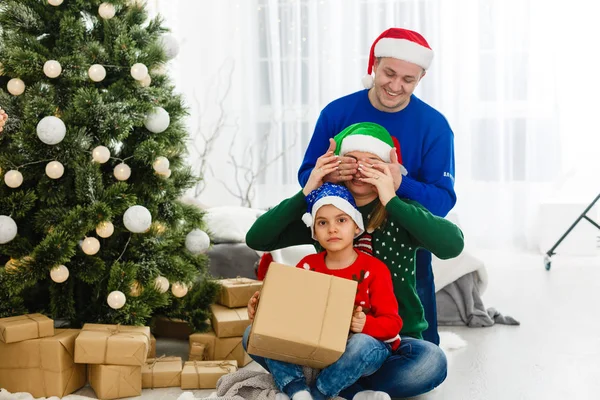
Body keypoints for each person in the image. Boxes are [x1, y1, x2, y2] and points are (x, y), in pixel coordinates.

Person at [245, 122, 464, 399]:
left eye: (372, 162)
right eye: (352, 161)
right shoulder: (327, 212)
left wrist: (393, 196)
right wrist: (309, 188)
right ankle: (341, 388)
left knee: (431, 362)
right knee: (253, 335)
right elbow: (257, 238)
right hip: (321, 337)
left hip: (391, 341)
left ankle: (317, 386)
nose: (361, 169)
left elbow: (453, 245)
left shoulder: (402, 210)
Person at [298, 27, 456, 346]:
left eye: (408, 80)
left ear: (421, 78)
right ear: (374, 64)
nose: (396, 86)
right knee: (332, 339)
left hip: (405, 245)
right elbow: (306, 177)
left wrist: (401, 183)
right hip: (339, 241)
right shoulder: (337, 113)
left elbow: (442, 202)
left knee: (424, 357)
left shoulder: (434, 127)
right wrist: (330, 174)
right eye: (389, 73)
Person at [247, 182, 402, 400]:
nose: (332, 229)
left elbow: (393, 324)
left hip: (359, 350)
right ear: (314, 232)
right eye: (322, 223)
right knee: (251, 334)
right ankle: (298, 391)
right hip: (317, 347)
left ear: (356, 226)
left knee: (361, 343)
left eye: (341, 220)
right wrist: (262, 311)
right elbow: (288, 311)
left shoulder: (375, 269)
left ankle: (319, 394)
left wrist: (365, 325)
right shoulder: (308, 265)